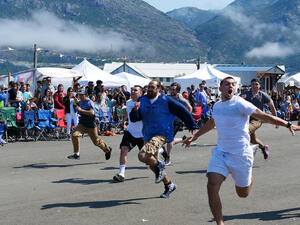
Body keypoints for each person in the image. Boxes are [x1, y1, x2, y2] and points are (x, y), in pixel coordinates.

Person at [183, 77, 300, 225]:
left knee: (242, 194)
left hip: (241, 154)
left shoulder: (240, 103)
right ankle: (220, 223)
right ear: (220, 89)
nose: (230, 86)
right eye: (227, 84)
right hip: (221, 153)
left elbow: (263, 116)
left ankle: (249, 173)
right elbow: (212, 122)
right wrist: (195, 137)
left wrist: (287, 123)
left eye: (233, 84)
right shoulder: (217, 106)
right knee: (212, 184)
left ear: (235, 89)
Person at [130, 80, 196, 198]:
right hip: (148, 134)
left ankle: (160, 165)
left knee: (142, 156)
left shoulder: (167, 100)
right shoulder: (142, 100)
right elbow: (135, 118)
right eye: (148, 87)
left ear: (159, 89)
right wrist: (135, 110)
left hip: (162, 133)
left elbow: (183, 110)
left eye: (152, 87)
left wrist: (191, 125)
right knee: (150, 162)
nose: (149, 89)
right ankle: (169, 184)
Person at [67, 88, 112, 160]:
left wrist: (81, 110)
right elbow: (78, 104)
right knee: (74, 134)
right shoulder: (80, 101)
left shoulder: (89, 102)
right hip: (82, 124)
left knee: (96, 142)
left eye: (82, 95)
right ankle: (76, 154)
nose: (81, 97)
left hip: (91, 125)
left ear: (86, 95)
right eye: (80, 95)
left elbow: (92, 113)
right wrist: (77, 103)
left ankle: (107, 150)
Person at [113, 85, 144, 182]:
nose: (133, 91)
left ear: (141, 93)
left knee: (145, 157)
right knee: (123, 149)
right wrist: (124, 121)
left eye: (135, 90)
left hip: (143, 134)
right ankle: (121, 174)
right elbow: (130, 114)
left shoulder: (145, 103)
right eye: (132, 90)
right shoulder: (129, 102)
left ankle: (160, 153)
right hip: (130, 132)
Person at [241, 78, 278, 159]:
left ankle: (244, 154)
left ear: (260, 85)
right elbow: (236, 102)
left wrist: (276, 121)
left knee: (246, 131)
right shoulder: (246, 94)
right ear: (251, 85)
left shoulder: (263, 95)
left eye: (256, 84)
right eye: (253, 84)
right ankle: (263, 147)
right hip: (246, 120)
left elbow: (272, 107)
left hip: (257, 119)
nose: (254, 86)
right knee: (253, 140)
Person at [163, 82, 192, 165]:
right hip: (167, 121)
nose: (171, 91)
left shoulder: (180, 99)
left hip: (176, 122)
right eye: (170, 89)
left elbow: (190, 107)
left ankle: (167, 158)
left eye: (173, 90)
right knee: (164, 140)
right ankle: (183, 140)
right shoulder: (167, 97)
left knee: (169, 140)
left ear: (178, 90)